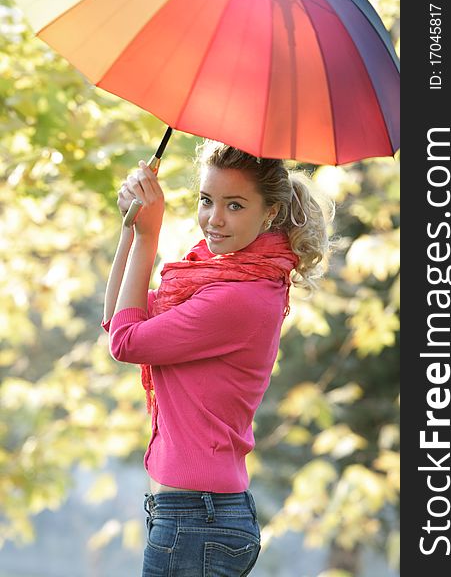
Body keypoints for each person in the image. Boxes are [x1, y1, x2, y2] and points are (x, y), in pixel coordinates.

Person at [101, 140, 332, 577]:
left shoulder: (241, 297)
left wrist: (150, 236)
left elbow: (126, 344)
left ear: (269, 214)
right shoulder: (215, 279)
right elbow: (117, 319)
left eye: (235, 205)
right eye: (207, 200)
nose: (214, 219)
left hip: (197, 521)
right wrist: (131, 229)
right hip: (192, 516)